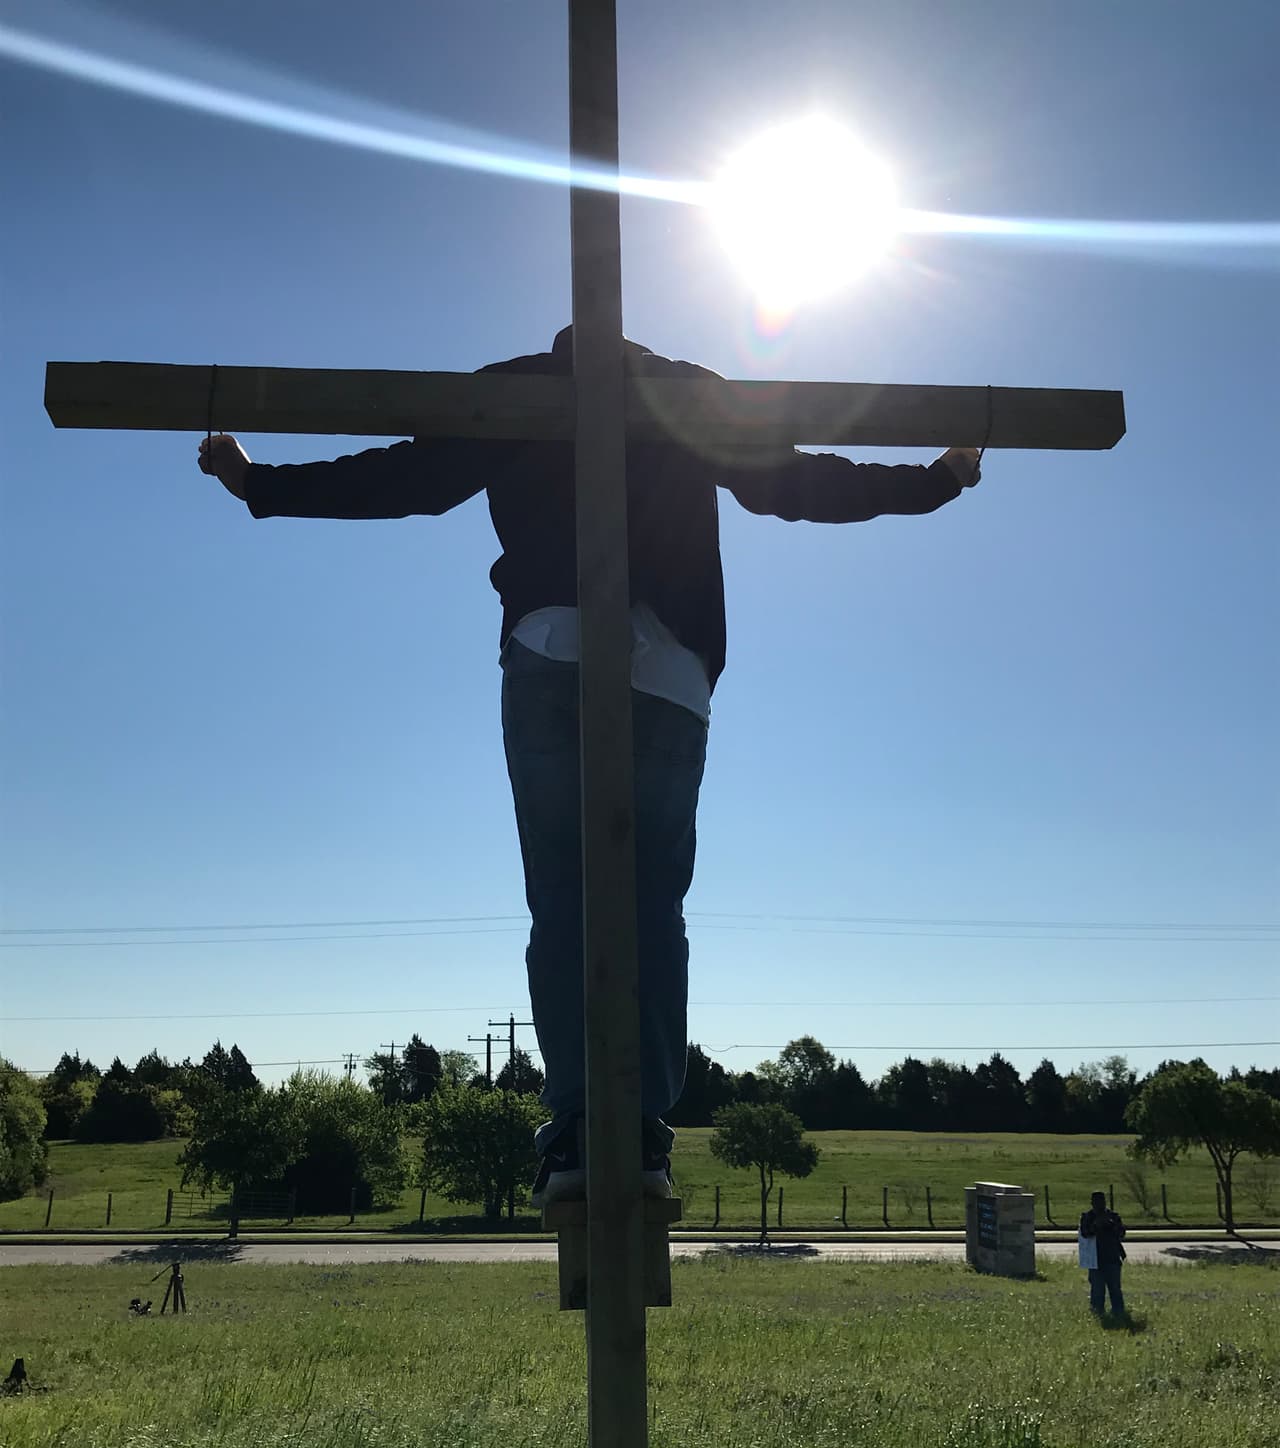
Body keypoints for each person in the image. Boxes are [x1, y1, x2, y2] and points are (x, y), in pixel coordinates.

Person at [198, 327, 981, 1210]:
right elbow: (796, 482)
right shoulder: (682, 391)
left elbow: (403, 480)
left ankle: (577, 1123)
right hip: (671, 664)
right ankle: (640, 1130)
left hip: (553, 645)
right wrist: (938, 480)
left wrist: (258, 483)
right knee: (654, 902)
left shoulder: (515, 391)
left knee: (562, 896)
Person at [1080, 1190, 1127, 1318]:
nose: (1099, 1205)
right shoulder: (1087, 1217)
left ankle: (1118, 1312)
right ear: (1092, 1203)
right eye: (1096, 1202)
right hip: (1095, 1259)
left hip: (1112, 1257)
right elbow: (1085, 1233)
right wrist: (1096, 1225)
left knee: (1115, 1288)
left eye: (1101, 1202)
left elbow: (1122, 1233)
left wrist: (1111, 1224)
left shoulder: (1113, 1216)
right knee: (1097, 1289)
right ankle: (1097, 1313)